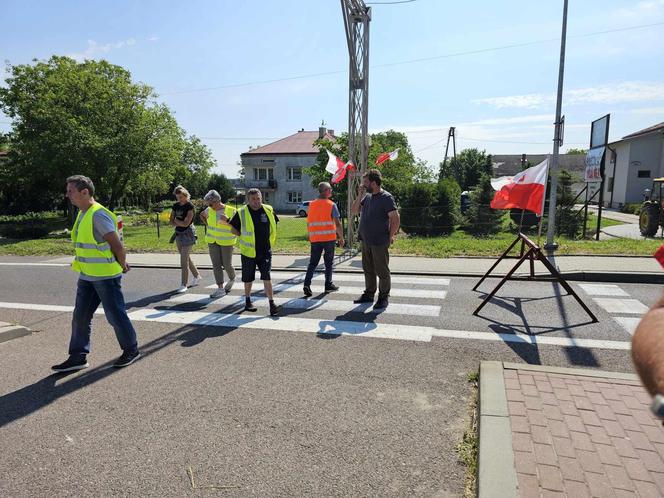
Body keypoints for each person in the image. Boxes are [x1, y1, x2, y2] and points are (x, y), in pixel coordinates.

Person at [52, 175, 141, 372]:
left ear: (85, 192)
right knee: (80, 316)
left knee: (115, 315)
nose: (67, 195)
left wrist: (122, 263)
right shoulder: (83, 213)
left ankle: (131, 350)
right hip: (86, 276)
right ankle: (78, 357)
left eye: (71, 191)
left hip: (105, 277)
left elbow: (117, 245)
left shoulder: (97, 214)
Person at [350, 168, 400, 309]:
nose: (363, 185)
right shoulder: (367, 196)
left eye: (365, 182)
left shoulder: (386, 197)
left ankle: (383, 297)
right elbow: (354, 211)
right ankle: (369, 294)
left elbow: (395, 219)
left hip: (379, 241)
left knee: (382, 271)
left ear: (373, 183)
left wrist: (390, 236)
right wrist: (360, 195)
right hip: (366, 240)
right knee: (368, 269)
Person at [229, 188, 281, 315]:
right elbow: (233, 229)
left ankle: (272, 303)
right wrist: (241, 235)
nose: (256, 201)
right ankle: (247, 301)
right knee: (248, 278)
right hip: (249, 252)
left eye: (258, 198)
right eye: (253, 199)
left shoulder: (268, 209)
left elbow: (275, 223)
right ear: (248, 199)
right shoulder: (241, 212)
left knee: (267, 277)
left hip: (265, 251)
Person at [303, 182, 345, 297]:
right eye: (330, 189)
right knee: (328, 263)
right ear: (325, 191)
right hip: (328, 239)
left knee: (313, 263)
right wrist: (341, 237)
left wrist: (310, 236)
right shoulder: (331, 205)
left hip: (315, 238)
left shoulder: (311, 205)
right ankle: (328, 284)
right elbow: (337, 223)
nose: (331, 191)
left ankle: (307, 284)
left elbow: (309, 222)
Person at [200, 190, 237, 299]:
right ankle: (220, 289)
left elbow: (238, 227)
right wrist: (206, 223)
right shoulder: (209, 210)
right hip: (212, 241)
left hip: (227, 242)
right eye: (208, 205)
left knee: (227, 265)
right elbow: (202, 215)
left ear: (217, 201)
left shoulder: (231, 211)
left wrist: (228, 221)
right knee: (216, 265)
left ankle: (232, 277)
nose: (209, 207)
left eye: (211, 204)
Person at [170, 185, 202, 293]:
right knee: (186, 257)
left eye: (181, 197)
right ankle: (197, 275)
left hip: (188, 234)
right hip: (178, 233)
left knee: (183, 261)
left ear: (186, 195)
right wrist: (178, 222)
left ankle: (184, 284)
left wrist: (177, 221)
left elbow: (186, 223)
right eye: (178, 197)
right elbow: (171, 220)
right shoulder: (175, 206)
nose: (179, 199)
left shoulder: (190, 206)